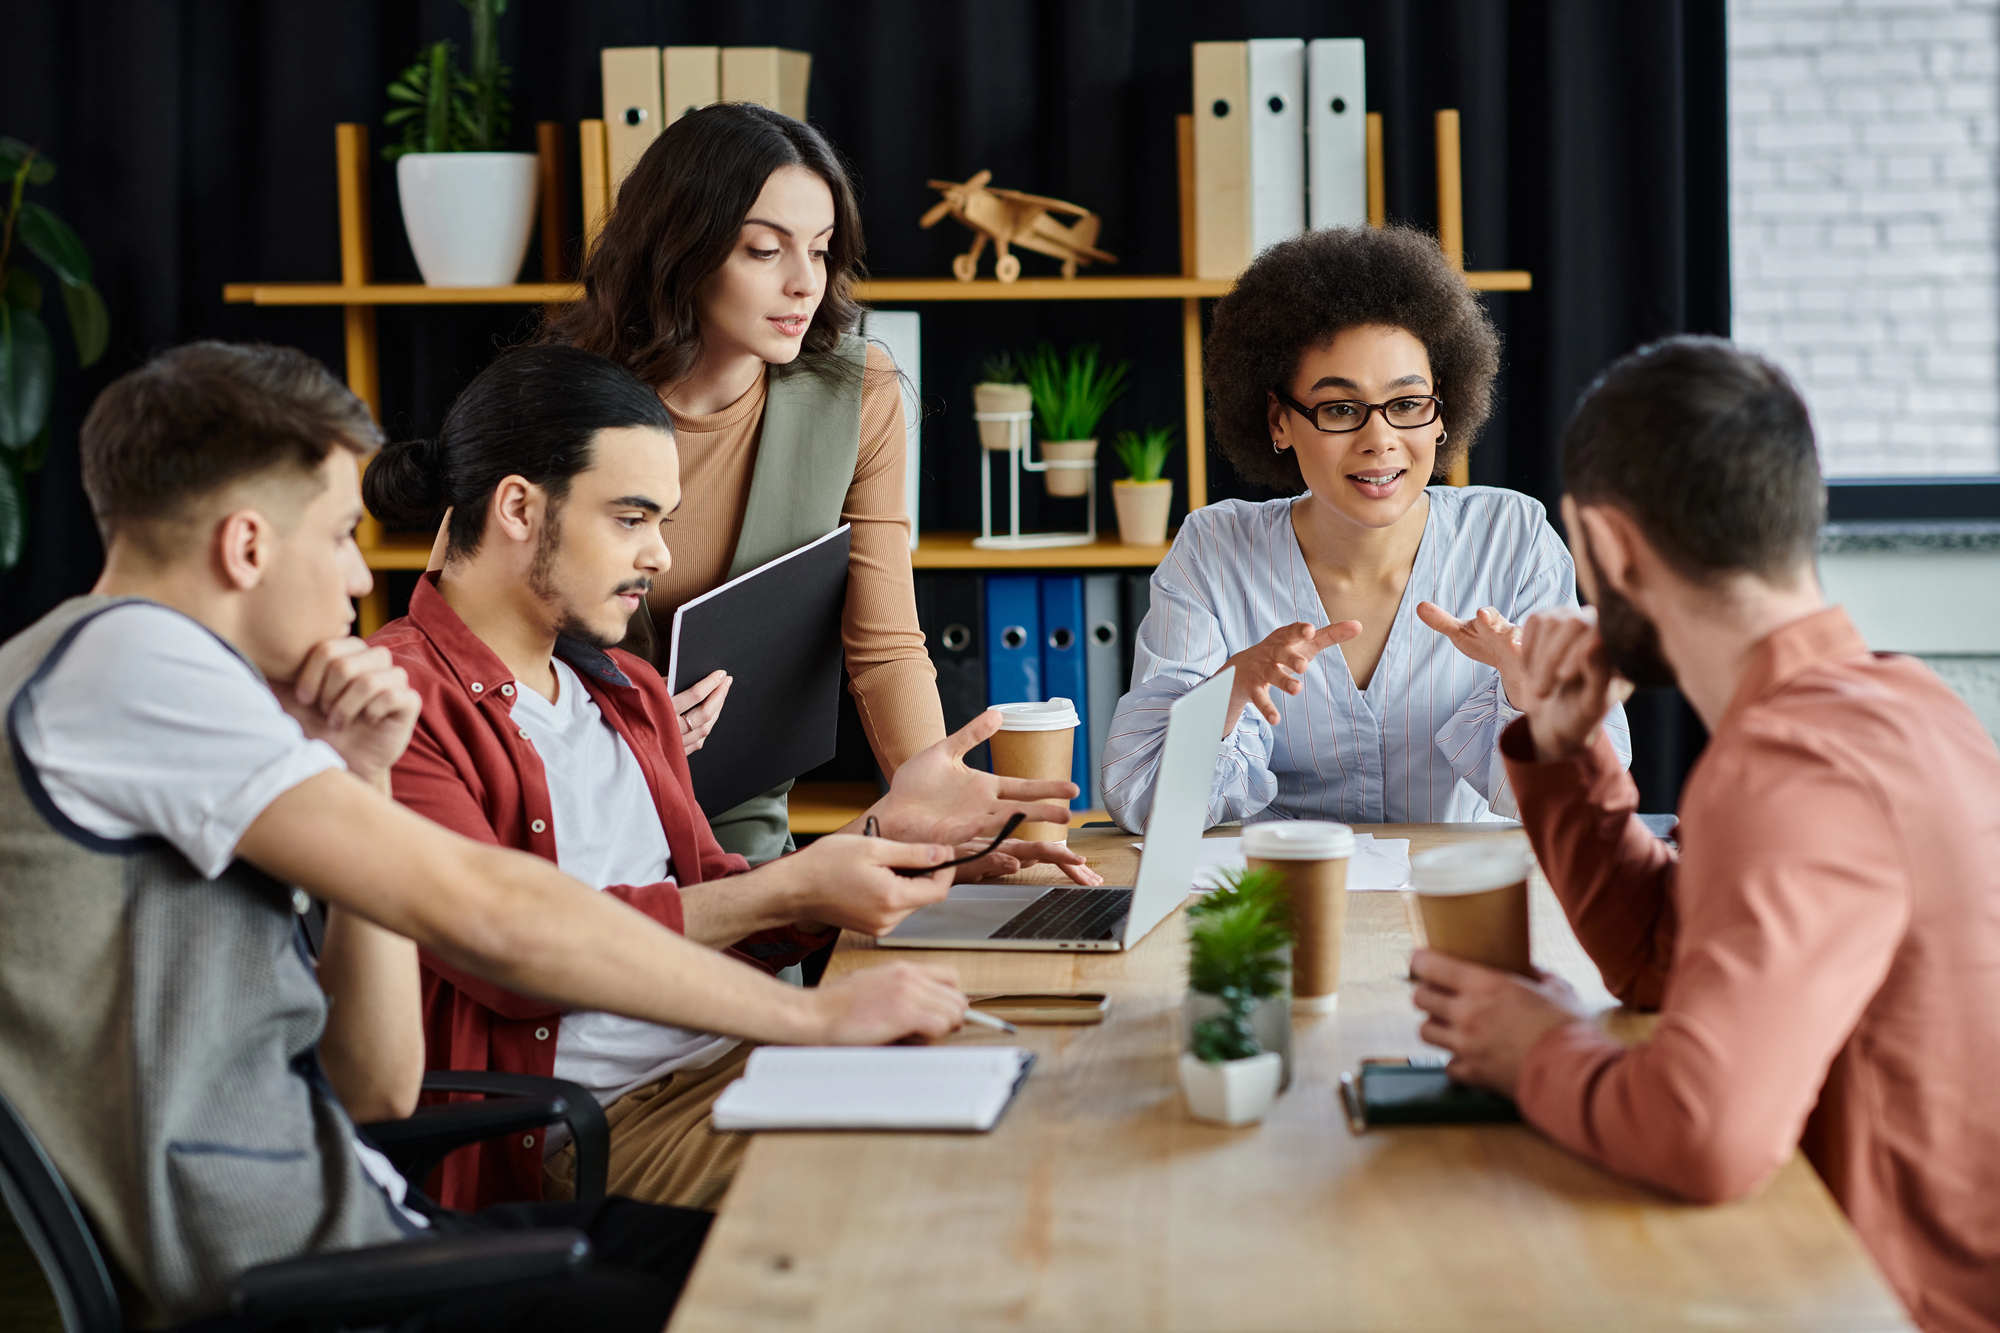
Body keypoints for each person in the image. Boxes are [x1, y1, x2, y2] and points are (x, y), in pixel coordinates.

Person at [0, 341, 976, 1331]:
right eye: (338, 536)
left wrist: (366, 782)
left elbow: (374, 1089)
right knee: (829, 1284)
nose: (357, 576)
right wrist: (812, 1020)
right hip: (306, 1279)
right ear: (246, 546)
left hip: (376, 1231)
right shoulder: (130, 662)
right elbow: (492, 912)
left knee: (819, 1261)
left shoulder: (118, 681)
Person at [364, 343, 1098, 1214]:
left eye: (662, 521)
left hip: (735, 1063)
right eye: (631, 519)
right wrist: (795, 886)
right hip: (595, 1129)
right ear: (520, 506)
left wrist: (889, 843)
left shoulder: (627, 687)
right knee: (943, 1188)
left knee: (1046, 1106)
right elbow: (513, 955)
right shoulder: (392, 704)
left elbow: (721, 909)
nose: (659, 555)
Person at [1409, 337, 2000, 1333]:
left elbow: (1702, 1131)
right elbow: (1661, 961)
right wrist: (1565, 752)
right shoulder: (1905, 701)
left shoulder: (1791, 764)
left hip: (1882, 1301)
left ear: (1610, 545)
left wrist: (1536, 1046)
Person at [1101, 225, 1630, 830]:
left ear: (1441, 412)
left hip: (1460, 883)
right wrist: (1226, 692)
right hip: (1280, 883)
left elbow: (1584, 804)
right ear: (1278, 421)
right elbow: (1141, 799)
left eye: (1406, 404)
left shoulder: (1514, 537)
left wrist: (1526, 695)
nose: (1380, 439)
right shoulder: (1212, 551)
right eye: (1340, 409)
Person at [542, 102, 944, 864]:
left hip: (741, 837)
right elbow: (466, 652)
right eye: (765, 250)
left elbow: (886, 646)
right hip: (569, 824)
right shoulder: (555, 402)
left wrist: (938, 802)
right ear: (681, 249)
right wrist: (622, 736)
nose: (805, 283)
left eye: (820, 251)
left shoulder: (855, 395)